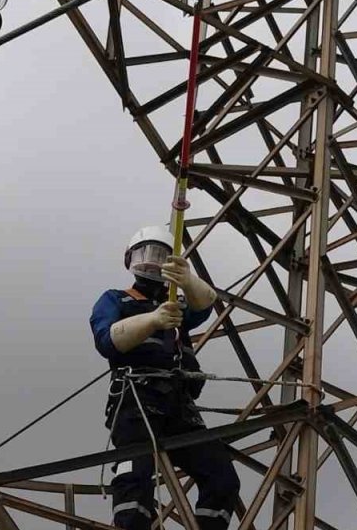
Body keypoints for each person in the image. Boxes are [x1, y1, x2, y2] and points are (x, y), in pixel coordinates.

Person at [89, 224, 240, 529]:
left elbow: (205, 302)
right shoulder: (117, 300)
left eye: (162, 256)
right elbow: (107, 341)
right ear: (131, 259)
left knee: (221, 476)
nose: (153, 262)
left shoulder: (176, 304)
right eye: (147, 254)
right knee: (135, 475)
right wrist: (152, 320)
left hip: (179, 405)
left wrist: (187, 279)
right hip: (138, 400)